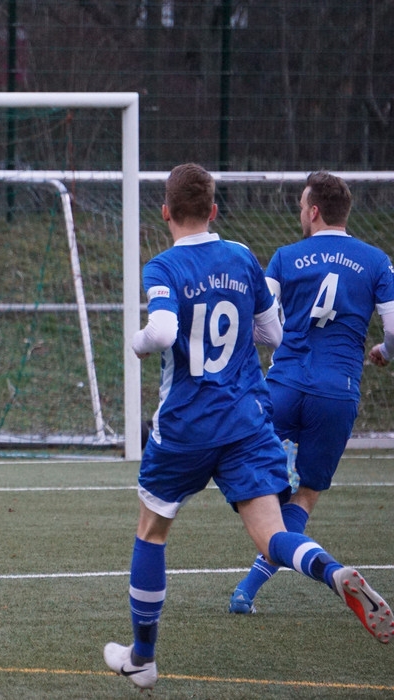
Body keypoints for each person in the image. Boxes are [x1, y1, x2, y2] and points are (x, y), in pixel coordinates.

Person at [104, 163, 393, 690]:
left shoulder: (164, 266)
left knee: (151, 531)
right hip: (246, 422)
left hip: (188, 425)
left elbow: (163, 331)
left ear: (165, 212)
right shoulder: (241, 256)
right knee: (272, 534)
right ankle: (332, 572)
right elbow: (273, 332)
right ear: (215, 210)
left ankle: (142, 658)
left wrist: (139, 343)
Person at [229, 171, 394, 615]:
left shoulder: (286, 256)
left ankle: (249, 590)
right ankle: (248, 589)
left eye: (302, 206)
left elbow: (257, 323)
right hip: (336, 393)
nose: (300, 213)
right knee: (304, 497)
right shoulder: (376, 261)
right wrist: (383, 351)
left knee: (262, 495)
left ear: (314, 211)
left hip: (282, 387)